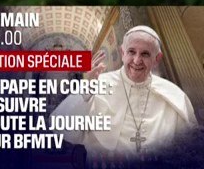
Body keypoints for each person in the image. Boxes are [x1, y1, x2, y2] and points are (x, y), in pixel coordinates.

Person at [52, 26, 199, 160]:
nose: (137, 60)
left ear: (157, 59)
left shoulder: (174, 95)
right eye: (131, 52)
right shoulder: (96, 84)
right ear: (122, 52)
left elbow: (188, 148)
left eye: (145, 54)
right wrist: (86, 92)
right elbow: (63, 130)